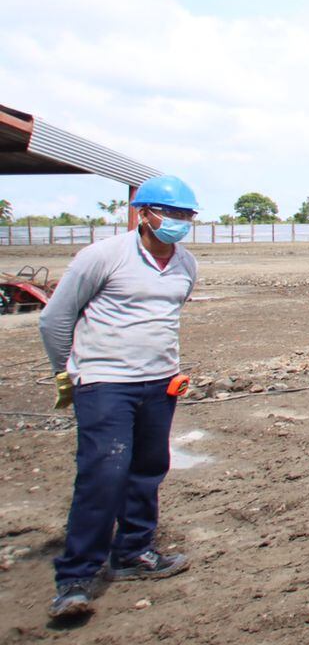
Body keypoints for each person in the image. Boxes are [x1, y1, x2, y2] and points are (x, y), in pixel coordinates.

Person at [39, 175, 201, 622]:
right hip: (104, 383)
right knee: (103, 474)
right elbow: (55, 319)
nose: (177, 222)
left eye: (186, 215)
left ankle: (133, 551)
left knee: (148, 470)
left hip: (160, 383)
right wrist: (66, 372)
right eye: (170, 214)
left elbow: (165, 317)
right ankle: (75, 576)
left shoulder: (186, 265)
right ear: (143, 214)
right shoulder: (101, 257)